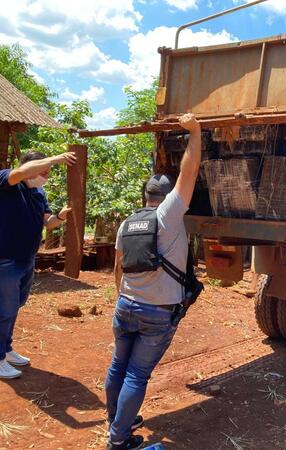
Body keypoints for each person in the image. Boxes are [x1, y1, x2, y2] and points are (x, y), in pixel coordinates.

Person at [104, 113, 202, 450]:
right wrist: (196, 132)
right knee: (136, 374)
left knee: (118, 366)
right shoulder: (170, 214)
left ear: (145, 195)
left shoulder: (127, 223)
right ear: (167, 194)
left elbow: (118, 268)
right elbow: (189, 171)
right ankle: (118, 440)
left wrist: (125, 297)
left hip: (125, 305)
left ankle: (116, 420)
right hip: (157, 313)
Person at [0, 150, 77, 379]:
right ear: (28, 166)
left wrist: (61, 217)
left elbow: (49, 223)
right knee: (4, 310)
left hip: (27, 259)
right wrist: (55, 158)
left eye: (48, 171)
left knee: (15, 307)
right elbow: (20, 173)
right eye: (42, 170)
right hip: (6, 260)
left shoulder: (38, 193)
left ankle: (7, 348)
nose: (46, 174)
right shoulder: (8, 180)